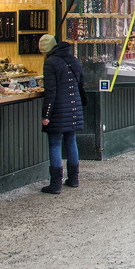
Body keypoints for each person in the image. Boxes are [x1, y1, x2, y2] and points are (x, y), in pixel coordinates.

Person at [38, 34, 84, 194]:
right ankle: (74, 178)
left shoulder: (51, 63)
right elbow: (81, 82)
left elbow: (51, 91)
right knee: (71, 141)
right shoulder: (73, 59)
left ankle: (55, 183)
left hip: (58, 109)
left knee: (55, 143)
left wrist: (46, 115)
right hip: (74, 108)